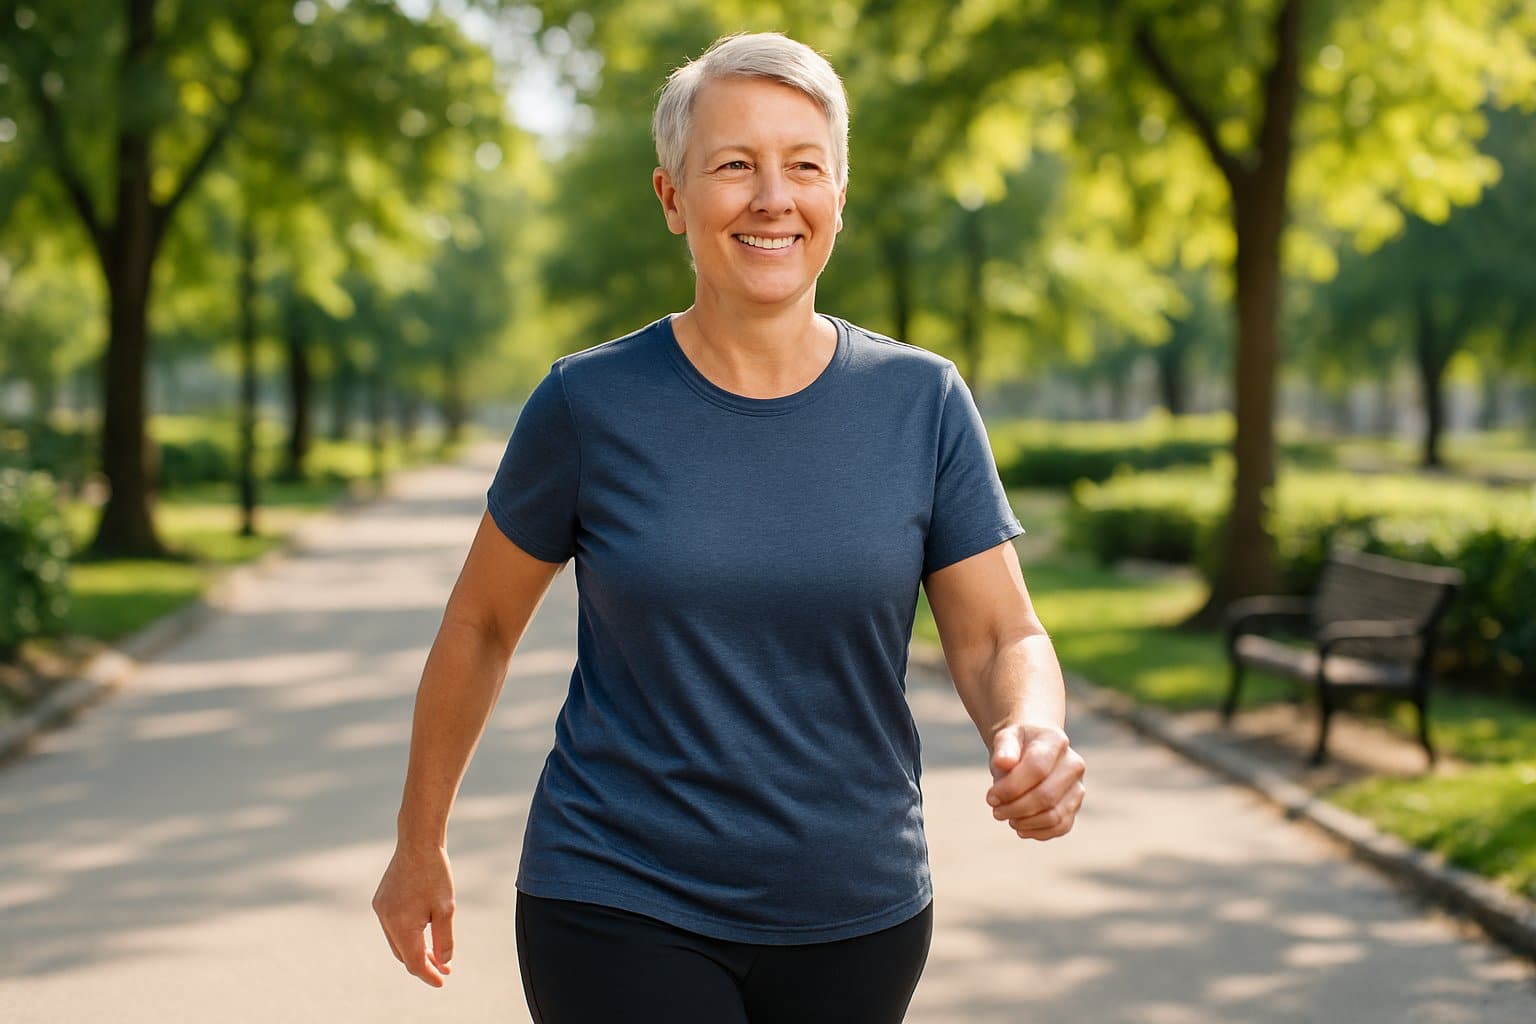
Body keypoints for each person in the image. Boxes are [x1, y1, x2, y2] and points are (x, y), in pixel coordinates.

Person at [372, 30, 1086, 1023]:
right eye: (733, 165)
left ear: (840, 195)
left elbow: (1000, 633)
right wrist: (419, 841)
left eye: (803, 166)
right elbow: (481, 624)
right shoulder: (589, 404)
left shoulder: (923, 402)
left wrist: (1030, 724)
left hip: (857, 908)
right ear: (672, 197)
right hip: (616, 892)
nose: (771, 198)